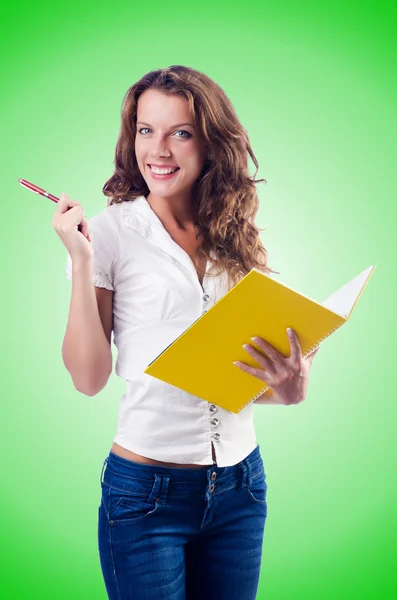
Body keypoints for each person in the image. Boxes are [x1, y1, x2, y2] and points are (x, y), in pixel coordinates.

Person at [52, 65, 319, 600]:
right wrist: (81, 264)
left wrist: (288, 390)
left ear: (210, 143)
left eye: (181, 132)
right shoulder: (107, 236)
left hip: (242, 489)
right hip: (146, 496)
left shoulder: (235, 232)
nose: (160, 150)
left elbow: (229, 374)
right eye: (146, 131)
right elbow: (88, 378)